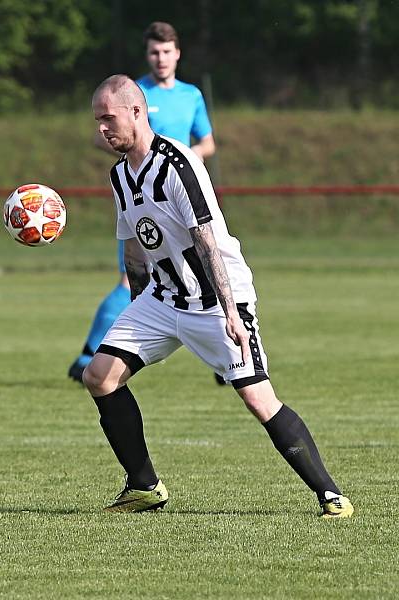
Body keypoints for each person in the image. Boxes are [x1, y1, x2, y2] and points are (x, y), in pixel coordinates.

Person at [82, 74, 352, 518]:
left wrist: (231, 313)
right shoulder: (120, 176)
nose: (102, 130)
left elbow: (205, 240)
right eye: (97, 121)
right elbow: (134, 244)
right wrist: (134, 308)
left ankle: (330, 494)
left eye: (108, 118)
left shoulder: (177, 165)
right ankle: (144, 486)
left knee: (258, 398)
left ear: (137, 111)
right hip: (163, 299)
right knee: (100, 376)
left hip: (214, 299)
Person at [68, 21, 216, 383]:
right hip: (145, 202)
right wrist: (140, 165)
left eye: (166, 51)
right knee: (129, 279)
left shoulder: (191, 95)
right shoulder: (133, 95)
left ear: (177, 53)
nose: (160, 58)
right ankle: (90, 353)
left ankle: (225, 357)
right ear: (147, 55)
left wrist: (183, 164)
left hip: (183, 196)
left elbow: (208, 143)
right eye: (154, 52)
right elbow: (103, 137)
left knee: (206, 269)